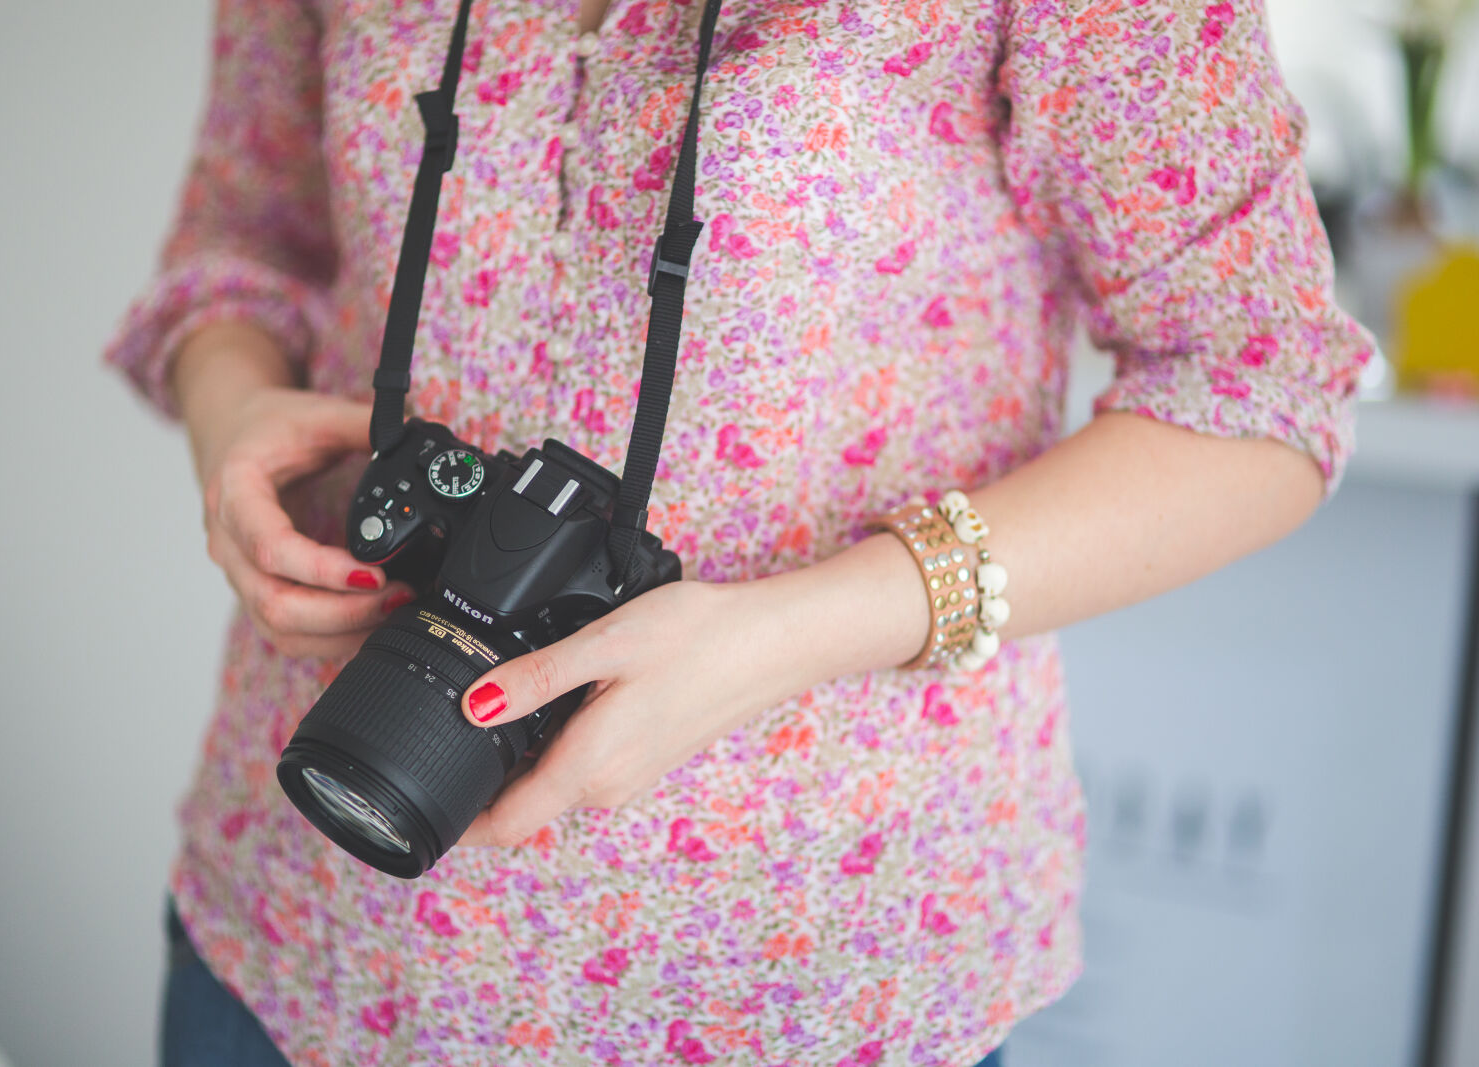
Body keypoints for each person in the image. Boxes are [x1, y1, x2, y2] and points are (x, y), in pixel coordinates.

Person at [106, 0, 1372, 1062]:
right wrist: (234, 422)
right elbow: (246, 230)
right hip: (307, 911)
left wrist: (781, 635)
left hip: (805, 977)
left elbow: (1259, 390)